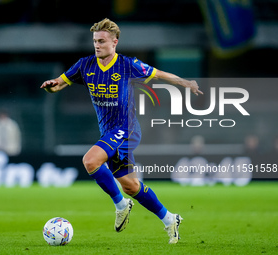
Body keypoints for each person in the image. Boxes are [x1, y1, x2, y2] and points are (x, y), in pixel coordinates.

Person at [41, 18, 203, 244]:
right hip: (108, 131)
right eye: (95, 41)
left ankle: (120, 204)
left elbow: (158, 74)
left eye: (102, 41)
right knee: (131, 185)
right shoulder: (85, 65)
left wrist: (186, 83)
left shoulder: (128, 65)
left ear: (114, 42)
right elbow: (59, 83)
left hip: (126, 129)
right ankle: (169, 219)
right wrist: (51, 86)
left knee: (90, 161)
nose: (97, 45)